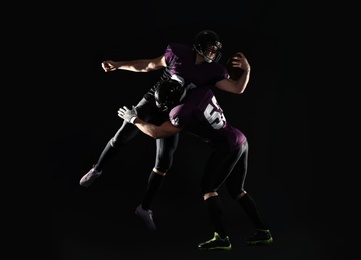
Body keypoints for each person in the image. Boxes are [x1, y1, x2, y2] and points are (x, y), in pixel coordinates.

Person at [79, 29, 251, 231]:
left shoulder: (213, 71)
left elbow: (237, 88)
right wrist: (118, 65)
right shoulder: (177, 53)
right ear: (198, 46)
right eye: (210, 49)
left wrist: (247, 70)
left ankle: (144, 208)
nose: (213, 53)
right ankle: (97, 168)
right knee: (122, 135)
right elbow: (148, 65)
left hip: (174, 112)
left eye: (215, 50)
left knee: (164, 162)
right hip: (152, 102)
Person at [118, 79, 273, 250]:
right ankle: (264, 232)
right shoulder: (200, 90)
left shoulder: (180, 112)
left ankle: (222, 238)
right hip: (239, 139)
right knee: (237, 190)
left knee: (208, 189)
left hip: (227, 148)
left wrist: (133, 119)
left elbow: (157, 133)